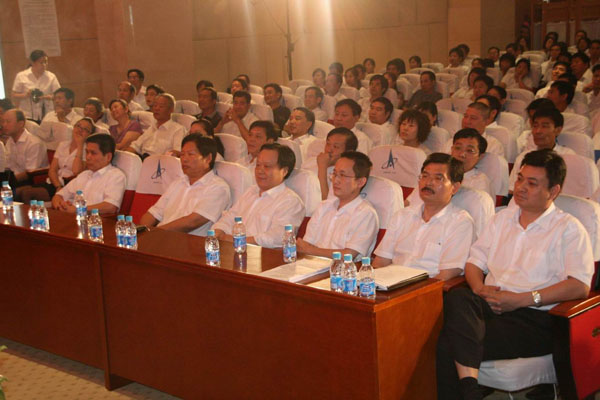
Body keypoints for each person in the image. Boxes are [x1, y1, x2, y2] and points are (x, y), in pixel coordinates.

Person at [436, 149, 594, 400]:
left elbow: (580, 286)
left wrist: (522, 299)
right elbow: (474, 263)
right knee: (458, 297)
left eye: (532, 183)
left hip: (535, 318)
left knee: (447, 343)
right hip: (488, 305)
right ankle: (470, 390)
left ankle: (468, 390)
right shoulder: (501, 219)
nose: (520, 187)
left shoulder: (569, 229)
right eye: (520, 179)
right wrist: (480, 289)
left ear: (553, 191)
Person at [373, 153, 474, 281]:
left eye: (438, 178)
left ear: (454, 188)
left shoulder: (460, 222)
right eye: (425, 176)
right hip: (389, 283)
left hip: (425, 287)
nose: (428, 182)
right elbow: (381, 260)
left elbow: (447, 274)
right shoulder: (402, 215)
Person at [213, 143, 305, 248]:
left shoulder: (290, 201)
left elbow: (279, 237)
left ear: (284, 171)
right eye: (258, 165)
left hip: (261, 254)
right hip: (232, 248)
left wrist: (238, 241)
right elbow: (230, 217)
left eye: (267, 166)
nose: (260, 170)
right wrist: (219, 231)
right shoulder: (251, 191)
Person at [139, 135, 231, 236]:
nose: (184, 159)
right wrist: (142, 232)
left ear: (208, 158)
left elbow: (192, 222)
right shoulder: (178, 183)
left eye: (190, 154)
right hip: (160, 236)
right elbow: (153, 213)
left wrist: (155, 233)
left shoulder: (218, 187)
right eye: (182, 154)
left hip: (188, 242)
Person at [297, 151, 379, 259]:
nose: (335, 180)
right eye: (334, 174)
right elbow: (305, 245)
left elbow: (349, 255)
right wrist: (309, 250)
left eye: (343, 175)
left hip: (342, 268)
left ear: (360, 182)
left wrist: (311, 250)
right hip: (310, 264)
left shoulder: (366, 214)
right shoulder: (324, 206)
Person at [17, 117, 94, 202]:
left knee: (26, 193)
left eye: (85, 129)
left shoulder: (88, 151)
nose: (80, 130)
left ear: (90, 135)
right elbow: (52, 170)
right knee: (17, 192)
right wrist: (58, 186)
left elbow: (76, 171)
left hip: (69, 185)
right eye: (78, 126)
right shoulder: (63, 145)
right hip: (54, 182)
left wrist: (80, 146)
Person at [52, 134, 126, 215]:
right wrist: (61, 205)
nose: (88, 157)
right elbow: (59, 195)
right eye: (87, 152)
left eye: (93, 153)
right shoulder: (84, 174)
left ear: (108, 157)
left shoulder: (116, 176)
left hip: (96, 221)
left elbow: (110, 207)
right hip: (72, 218)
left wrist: (78, 210)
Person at [509, 108, 574, 192]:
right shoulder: (523, 156)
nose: (538, 131)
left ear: (558, 130)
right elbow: (512, 189)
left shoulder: (568, 156)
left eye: (544, 126)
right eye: (535, 126)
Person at [302, 127, 358, 200]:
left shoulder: (345, 175)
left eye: (336, 147)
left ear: (348, 152)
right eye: (328, 144)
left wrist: (322, 167)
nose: (329, 150)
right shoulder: (311, 161)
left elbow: (326, 202)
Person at [125, 93, 185, 159]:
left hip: (160, 162)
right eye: (155, 105)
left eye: (161, 106)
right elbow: (135, 146)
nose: (156, 108)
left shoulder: (178, 129)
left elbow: (177, 152)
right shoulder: (152, 127)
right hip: (142, 159)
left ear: (171, 109)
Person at [2, 109, 48, 187]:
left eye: (8, 122)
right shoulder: (10, 140)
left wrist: (7, 182)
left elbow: (29, 173)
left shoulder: (34, 143)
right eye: (3, 121)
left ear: (20, 124)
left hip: (30, 182)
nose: (4, 125)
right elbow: (7, 166)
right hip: (12, 179)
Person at [11, 50, 60, 122]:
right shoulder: (21, 76)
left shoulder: (51, 76)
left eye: (46, 62)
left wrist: (47, 97)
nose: (44, 65)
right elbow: (13, 95)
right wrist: (26, 95)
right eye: (41, 62)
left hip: (47, 114)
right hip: (27, 114)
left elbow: (58, 95)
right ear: (32, 63)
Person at [450, 128, 494, 199]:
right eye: (458, 148)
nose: (462, 154)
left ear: (480, 156)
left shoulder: (480, 182)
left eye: (470, 150)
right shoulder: (441, 172)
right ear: (452, 150)